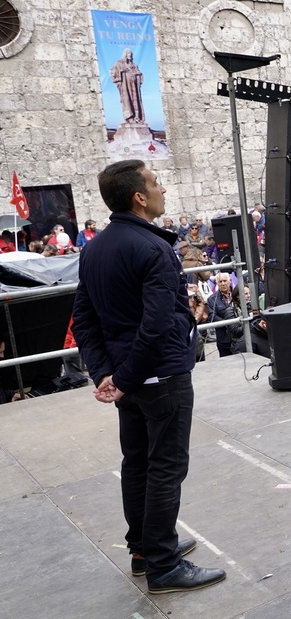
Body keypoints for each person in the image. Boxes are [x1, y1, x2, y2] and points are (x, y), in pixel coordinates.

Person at [71, 160, 225, 594]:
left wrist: (107, 373)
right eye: (155, 183)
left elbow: (84, 321)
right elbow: (156, 325)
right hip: (157, 376)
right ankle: (162, 563)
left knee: (138, 462)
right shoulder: (153, 248)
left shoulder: (96, 248)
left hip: (131, 377)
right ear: (139, 196)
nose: (162, 190)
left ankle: (145, 549)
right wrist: (121, 376)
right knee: (165, 467)